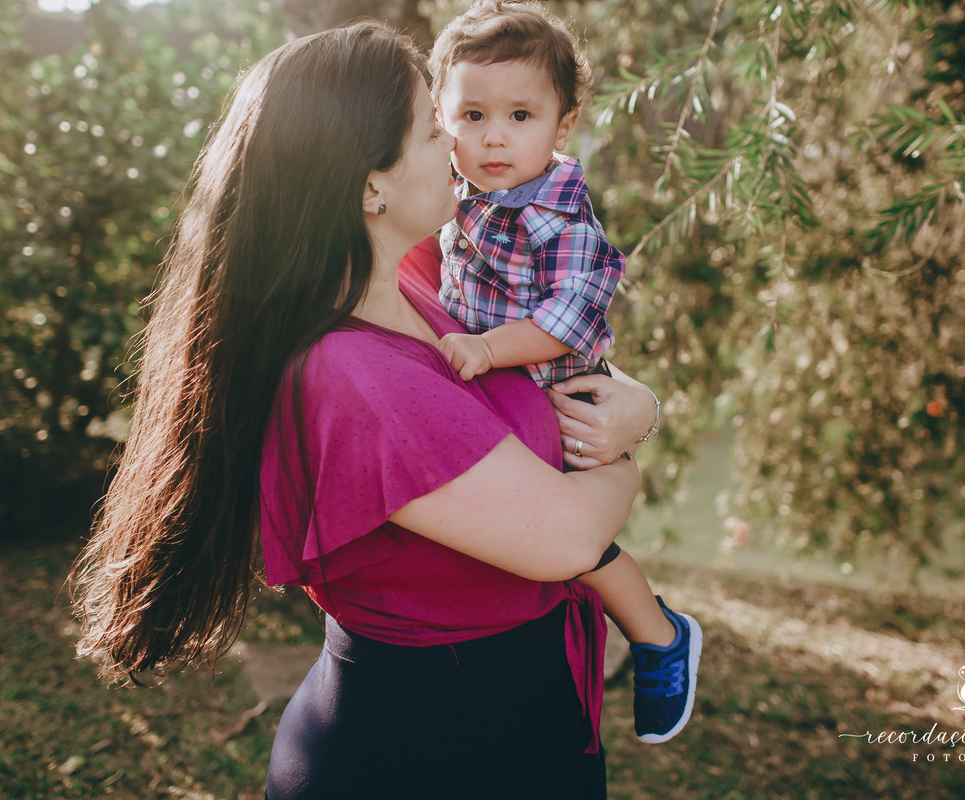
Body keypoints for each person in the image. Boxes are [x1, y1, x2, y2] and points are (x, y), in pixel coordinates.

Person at [70, 20, 661, 799]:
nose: (459, 145)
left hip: (513, 723)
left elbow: (559, 359)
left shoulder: (417, 285)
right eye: (433, 128)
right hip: (430, 750)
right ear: (368, 186)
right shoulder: (355, 376)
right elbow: (571, 536)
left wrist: (639, 404)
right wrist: (621, 460)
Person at [429, 0, 701, 744]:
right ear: (440, 119)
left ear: (564, 125)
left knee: (570, 545)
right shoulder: (458, 197)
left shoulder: (562, 217)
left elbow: (570, 321)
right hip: (502, 402)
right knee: (529, 544)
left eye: (521, 116)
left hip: (561, 399)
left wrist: (486, 350)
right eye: (472, 115)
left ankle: (658, 635)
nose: (493, 137)